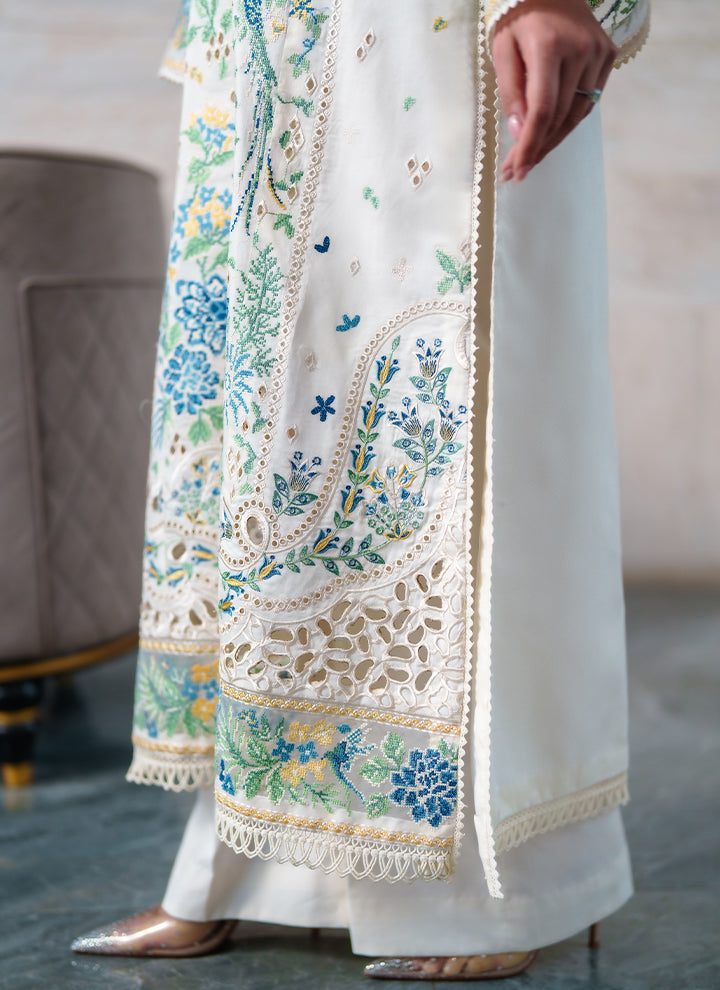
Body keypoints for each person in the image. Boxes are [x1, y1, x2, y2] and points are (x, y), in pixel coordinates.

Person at [72, 0, 650, 979]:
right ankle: (249, 868)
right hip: (269, 46)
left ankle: (504, 885)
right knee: (266, 445)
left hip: (434, 42)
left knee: (439, 425)